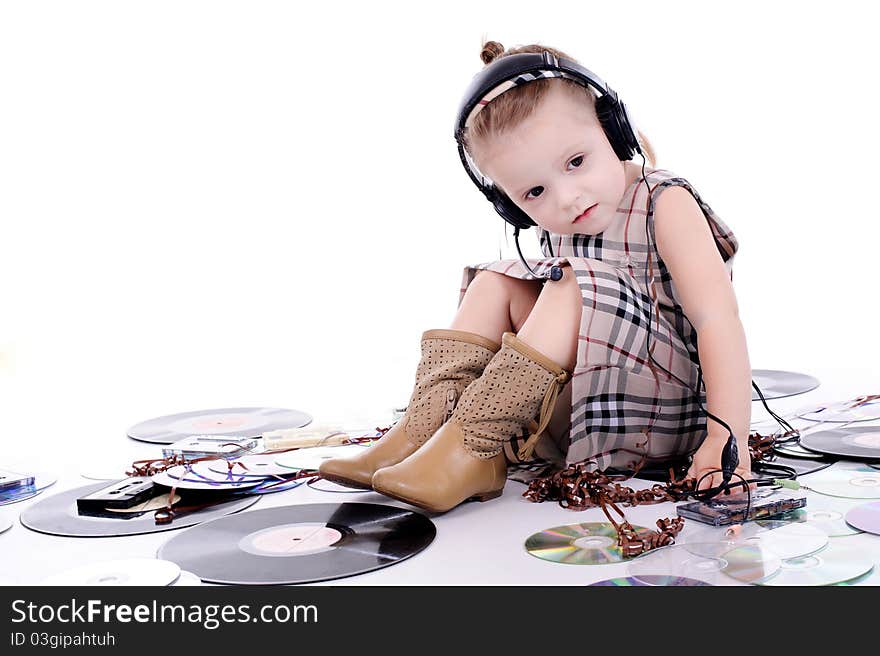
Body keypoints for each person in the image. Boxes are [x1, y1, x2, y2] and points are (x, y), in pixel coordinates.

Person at [320, 40, 752, 513]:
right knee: (495, 280)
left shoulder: (663, 202)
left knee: (569, 283)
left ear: (612, 129)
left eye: (576, 162)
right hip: (587, 408)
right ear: (510, 203)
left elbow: (717, 320)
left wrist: (726, 440)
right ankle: (426, 431)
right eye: (535, 192)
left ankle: (473, 443)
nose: (566, 198)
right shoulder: (559, 224)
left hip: (668, 418)